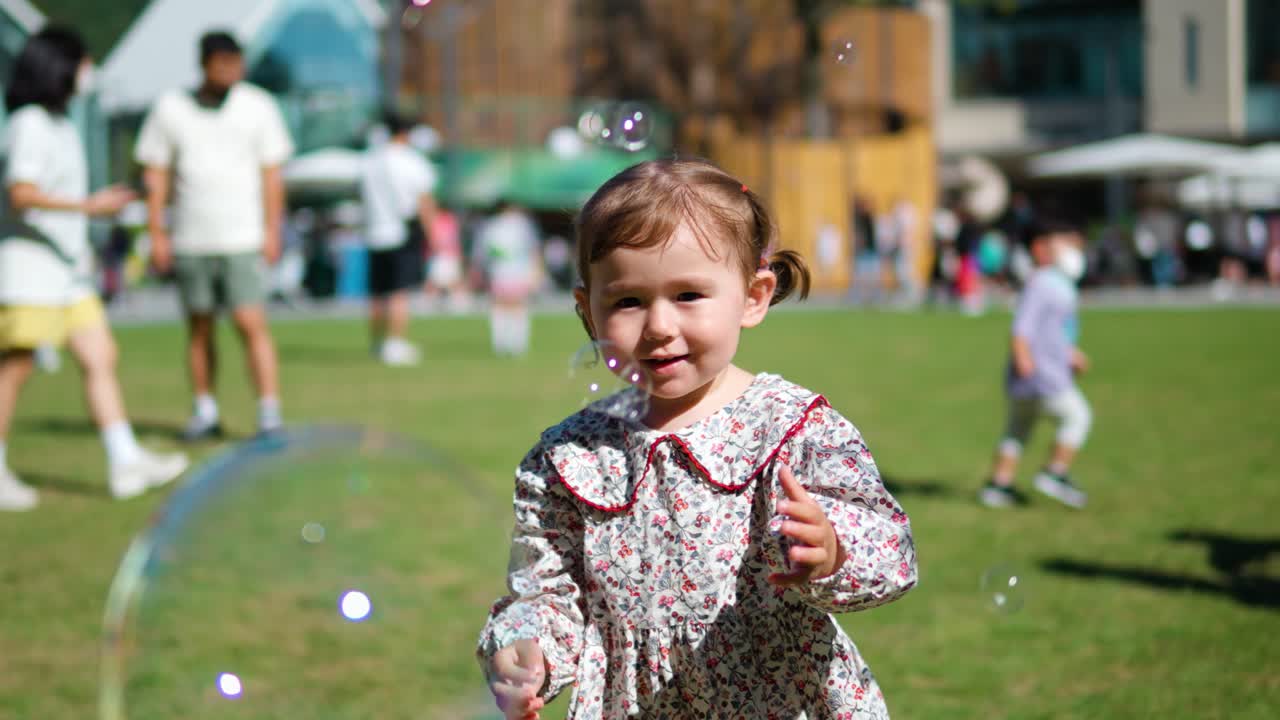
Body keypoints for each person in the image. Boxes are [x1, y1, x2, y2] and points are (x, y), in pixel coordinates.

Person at [477, 159, 918, 719]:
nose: (659, 326)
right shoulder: (569, 457)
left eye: (688, 295)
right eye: (628, 301)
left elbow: (892, 553)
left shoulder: (791, 427)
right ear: (588, 312)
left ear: (754, 296)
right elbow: (545, 593)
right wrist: (528, 650)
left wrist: (832, 549)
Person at [0, 26, 188, 510]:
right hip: (31, 270)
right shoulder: (30, 125)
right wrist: (90, 207)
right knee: (14, 370)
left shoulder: (61, 124)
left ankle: (124, 459)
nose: (89, 72)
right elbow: (20, 193)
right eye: (83, 62)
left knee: (100, 355)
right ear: (59, 67)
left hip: (67, 273)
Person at [136, 31, 294, 440]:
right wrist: (157, 233)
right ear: (204, 65)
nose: (229, 71)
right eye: (221, 63)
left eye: (235, 63)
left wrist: (273, 229)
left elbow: (272, 175)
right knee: (199, 327)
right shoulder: (172, 107)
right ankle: (204, 410)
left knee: (250, 321)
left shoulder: (258, 106)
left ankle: (269, 411)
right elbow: (156, 173)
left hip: (242, 236)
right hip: (191, 235)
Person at [980, 219, 1092, 509]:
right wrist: (1024, 358)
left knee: (1017, 429)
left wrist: (1070, 354)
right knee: (1078, 416)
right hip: (1042, 373)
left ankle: (998, 486)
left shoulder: (1052, 283)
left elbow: (1053, 331)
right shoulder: (1044, 282)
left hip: (1035, 371)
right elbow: (1022, 328)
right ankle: (1055, 472)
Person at [359, 109, 437, 366]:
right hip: (402, 230)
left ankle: (377, 343)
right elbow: (423, 200)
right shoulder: (411, 161)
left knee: (378, 293)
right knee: (399, 292)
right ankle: (395, 343)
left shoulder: (370, 160)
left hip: (373, 231)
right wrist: (433, 235)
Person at [472, 200, 540, 356]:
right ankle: (516, 344)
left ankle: (502, 343)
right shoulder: (522, 225)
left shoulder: (490, 226)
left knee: (501, 306)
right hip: (517, 271)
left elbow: (481, 253)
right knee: (517, 306)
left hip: (500, 272)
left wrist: (478, 271)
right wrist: (536, 271)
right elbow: (533, 249)